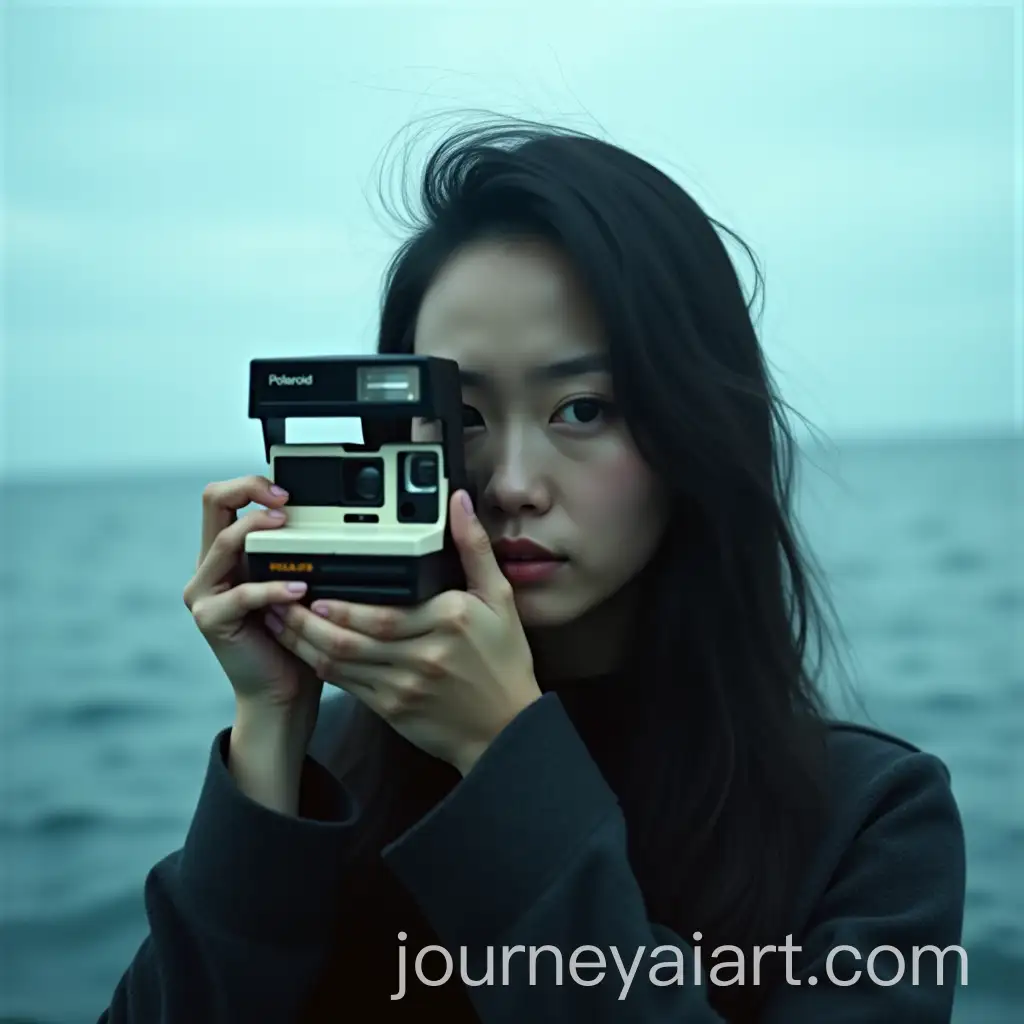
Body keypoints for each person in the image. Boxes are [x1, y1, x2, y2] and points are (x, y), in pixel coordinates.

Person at [98, 117, 966, 1023]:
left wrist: (502, 757)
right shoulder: (316, 776)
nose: (511, 483)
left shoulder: (870, 821)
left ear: (697, 427)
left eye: (583, 409)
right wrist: (271, 730)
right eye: (462, 416)